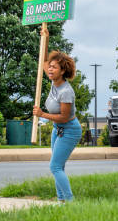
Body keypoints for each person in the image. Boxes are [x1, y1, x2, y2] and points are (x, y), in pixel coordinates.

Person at [33, 25, 82, 203]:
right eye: (51, 68)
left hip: (69, 129)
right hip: (57, 129)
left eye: (55, 68)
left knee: (54, 166)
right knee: (58, 166)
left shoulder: (66, 91)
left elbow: (64, 117)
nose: (50, 70)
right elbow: (44, 61)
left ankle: (69, 201)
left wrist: (42, 114)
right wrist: (45, 38)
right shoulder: (54, 81)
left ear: (63, 71)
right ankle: (61, 200)